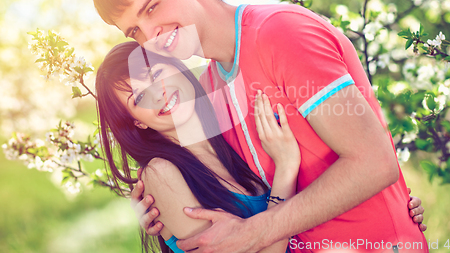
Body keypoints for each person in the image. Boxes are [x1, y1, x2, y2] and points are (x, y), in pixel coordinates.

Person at [92, 0, 428, 252]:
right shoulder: (209, 91)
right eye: (135, 31)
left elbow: (375, 163)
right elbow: (182, 170)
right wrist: (155, 205)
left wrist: (255, 232)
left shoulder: (280, 33)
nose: (151, 35)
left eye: (151, 7)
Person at [96, 41, 301, 253]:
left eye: (156, 75)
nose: (157, 94)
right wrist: (286, 168)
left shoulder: (231, 126)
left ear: (176, 67)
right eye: (139, 97)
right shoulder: (161, 174)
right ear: (138, 122)